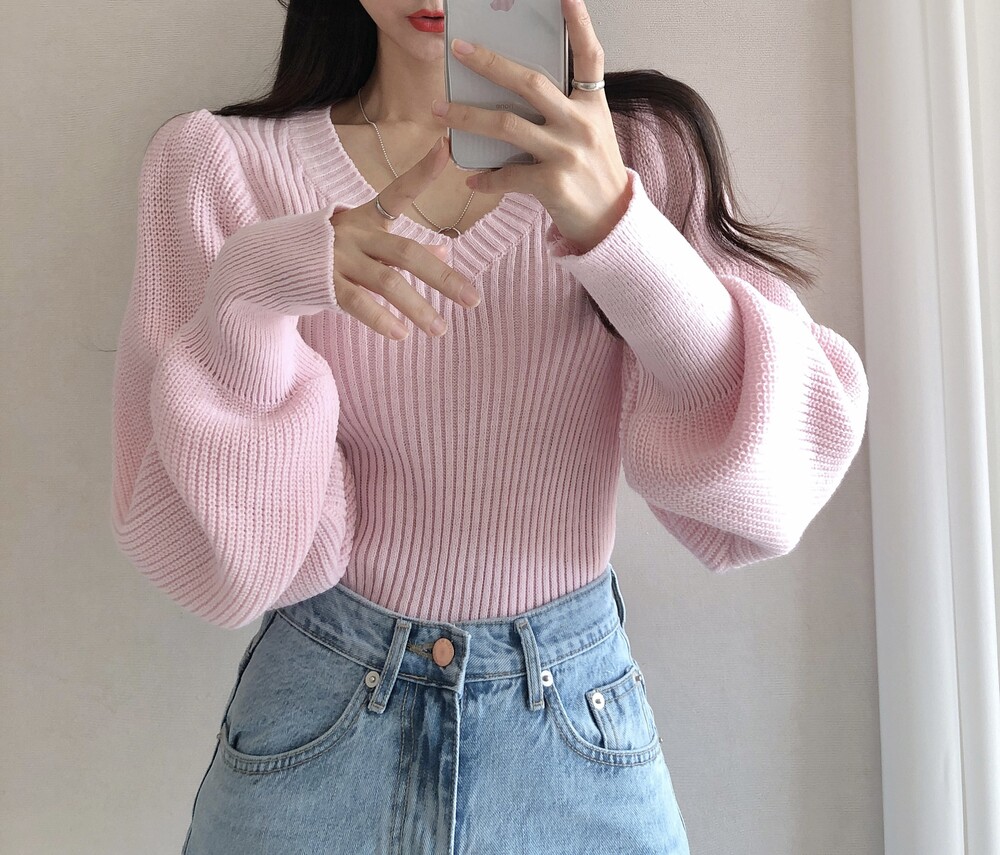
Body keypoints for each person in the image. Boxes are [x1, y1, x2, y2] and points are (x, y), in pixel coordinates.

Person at [109, 0, 869, 852]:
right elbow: (223, 566)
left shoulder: (638, 151)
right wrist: (253, 292)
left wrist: (618, 227)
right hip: (316, 722)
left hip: (572, 728)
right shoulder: (218, 164)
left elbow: (777, 486)